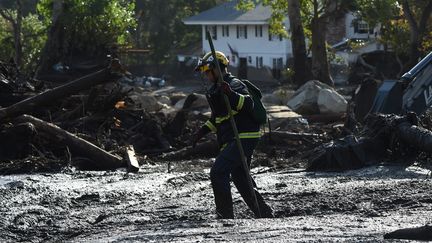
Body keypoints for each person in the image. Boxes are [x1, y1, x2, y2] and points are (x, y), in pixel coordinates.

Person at [192, 51, 273, 219]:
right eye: (204, 73)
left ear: (218, 69)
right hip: (232, 138)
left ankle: (225, 215)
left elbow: (248, 103)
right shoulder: (215, 90)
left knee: (218, 172)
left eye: (208, 71)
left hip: (243, 137)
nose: (206, 75)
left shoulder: (234, 84)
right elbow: (218, 118)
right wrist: (201, 132)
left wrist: (230, 93)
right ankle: (264, 213)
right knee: (240, 178)